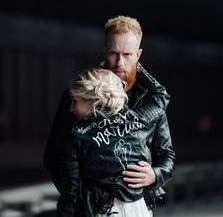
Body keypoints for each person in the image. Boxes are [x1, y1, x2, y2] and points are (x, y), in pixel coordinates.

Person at [43, 16, 175, 212]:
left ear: (138, 55)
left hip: (138, 206)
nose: (119, 62)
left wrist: (155, 175)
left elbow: (166, 156)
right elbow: (54, 156)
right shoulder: (80, 95)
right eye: (113, 53)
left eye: (127, 54)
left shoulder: (148, 99)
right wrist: (85, 200)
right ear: (104, 51)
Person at [56, 67, 169, 216]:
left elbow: (71, 190)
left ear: (91, 100)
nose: (71, 109)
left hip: (103, 211)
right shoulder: (136, 119)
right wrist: (136, 66)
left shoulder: (76, 135)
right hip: (137, 208)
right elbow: (161, 95)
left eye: (74, 101)